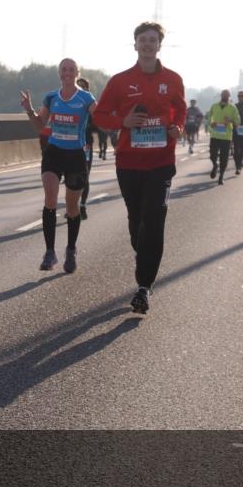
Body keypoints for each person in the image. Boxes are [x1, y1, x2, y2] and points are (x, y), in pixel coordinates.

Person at [93, 21, 185, 314]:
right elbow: (101, 115)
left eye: (152, 40)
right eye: (142, 40)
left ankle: (143, 287)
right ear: (135, 45)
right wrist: (124, 122)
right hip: (129, 163)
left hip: (161, 162)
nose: (147, 44)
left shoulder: (172, 79)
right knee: (137, 221)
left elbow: (179, 109)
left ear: (159, 45)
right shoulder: (120, 81)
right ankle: (143, 252)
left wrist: (177, 127)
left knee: (155, 218)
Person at [20, 61, 97, 272]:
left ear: (77, 73)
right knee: (50, 199)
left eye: (71, 70)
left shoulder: (86, 98)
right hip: (54, 153)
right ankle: (50, 252)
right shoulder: (51, 97)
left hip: (75, 155)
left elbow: (99, 116)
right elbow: (40, 125)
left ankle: (71, 250)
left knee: (72, 207)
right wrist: (29, 110)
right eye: (64, 69)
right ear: (59, 73)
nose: (67, 73)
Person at [206, 89, 240, 186]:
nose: (225, 97)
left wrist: (230, 120)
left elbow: (237, 122)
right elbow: (209, 117)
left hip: (226, 137)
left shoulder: (233, 108)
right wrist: (210, 123)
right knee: (212, 154)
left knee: (224, 157)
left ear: (229, 96)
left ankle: (221, 176)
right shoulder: (214, 106)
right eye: (223, 95)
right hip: (215, 135)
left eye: (227, 95)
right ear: (221, 95)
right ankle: (215, 165)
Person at [77, 76, 96, 220]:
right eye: (78, 86)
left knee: (84, 175)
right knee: (71, 176)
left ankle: (82, 205)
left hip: (86, 145)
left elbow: (98, 123)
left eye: (83, 86)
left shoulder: (90, 104)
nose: (80, 88)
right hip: (70, 145)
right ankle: (72, 206)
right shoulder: (67, 102)